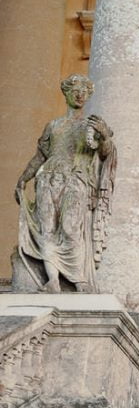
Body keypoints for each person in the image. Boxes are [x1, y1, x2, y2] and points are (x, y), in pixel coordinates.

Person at [12, 74, 115, 294]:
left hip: (76, 180)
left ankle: (79, 280)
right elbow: (40, 156)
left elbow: (105, 154)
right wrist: (23, 178)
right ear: (66, 93)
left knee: (70, 228)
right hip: (47, 178)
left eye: (84, 92)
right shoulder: (53, 125)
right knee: (46, 229)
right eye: (75, 90)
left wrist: (105, 136)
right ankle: (53, 281)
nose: (80, 95)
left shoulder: (92, 125)